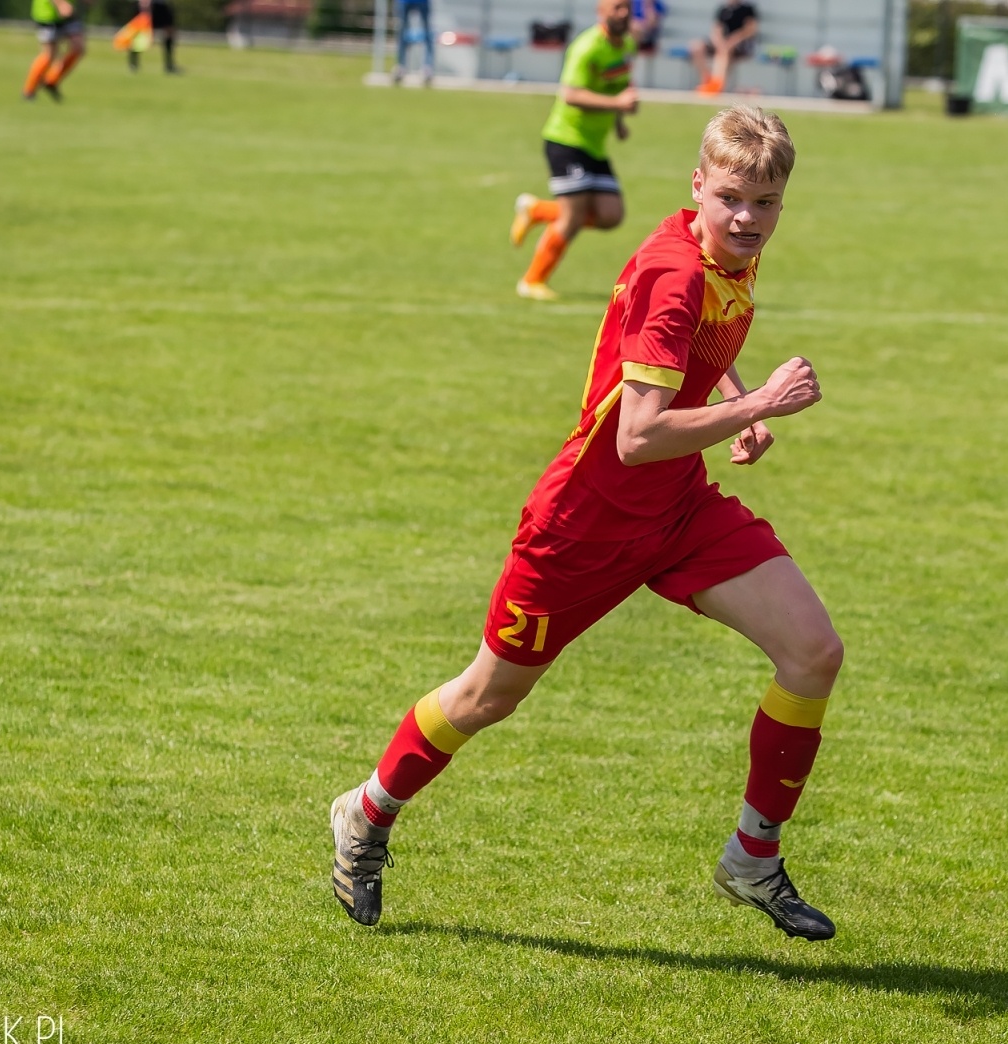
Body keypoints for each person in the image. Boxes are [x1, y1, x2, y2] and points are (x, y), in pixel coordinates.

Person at [335, 106, 843, 942]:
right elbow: (636, 435)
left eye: (767, 199)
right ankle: (365, 811)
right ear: (697, 187)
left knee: (813, 650)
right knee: (486, 695)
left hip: (676, 508)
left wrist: (730, 402)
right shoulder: (676, 272)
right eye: (731, 198)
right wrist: (758, 402)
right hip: (584, 523)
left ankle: (752, 857)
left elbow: (695, 356)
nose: (748, 217)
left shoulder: (722, 255)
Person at [509, 0, 638, 302]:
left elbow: (616, 83)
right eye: (617, 7)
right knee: (571, 218)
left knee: (611, 215)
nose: (624, 13)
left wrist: (619, 120)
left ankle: (537, 210)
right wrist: (618, 105)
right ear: (601, 11)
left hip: (594, 144)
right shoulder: (586, 47)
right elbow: (571, 95)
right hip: (566, 140)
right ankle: (531, 281)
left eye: (627, 7)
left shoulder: (627, 43)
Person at [689, 2, 758, 96]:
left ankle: (717, 84)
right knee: (696, 47)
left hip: (740, 43)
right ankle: (707, 79)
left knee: (725, 52)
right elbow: (716, 29)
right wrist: (719, 43)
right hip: (723, 42)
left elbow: (750, 30)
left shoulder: (748, 9)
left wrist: (733, 40)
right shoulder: (723, 9)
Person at [23, 0, 86, 102]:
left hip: (68, 15)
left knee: (78, 47)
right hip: (48, 14)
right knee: (49, 55)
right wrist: (60, 3)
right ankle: (29, 90)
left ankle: (51, 80)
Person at [126, 0, 181, 74]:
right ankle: (133, 64)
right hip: (148, 6)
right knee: (138, 35)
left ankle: (169, 65)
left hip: (162, 5)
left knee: (169, 33)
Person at [392, 0, 434, 86]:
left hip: (423, 2)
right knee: (401, 35)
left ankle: (427, 67)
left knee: (427, 34)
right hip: (404, 2)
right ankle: (401, 66)